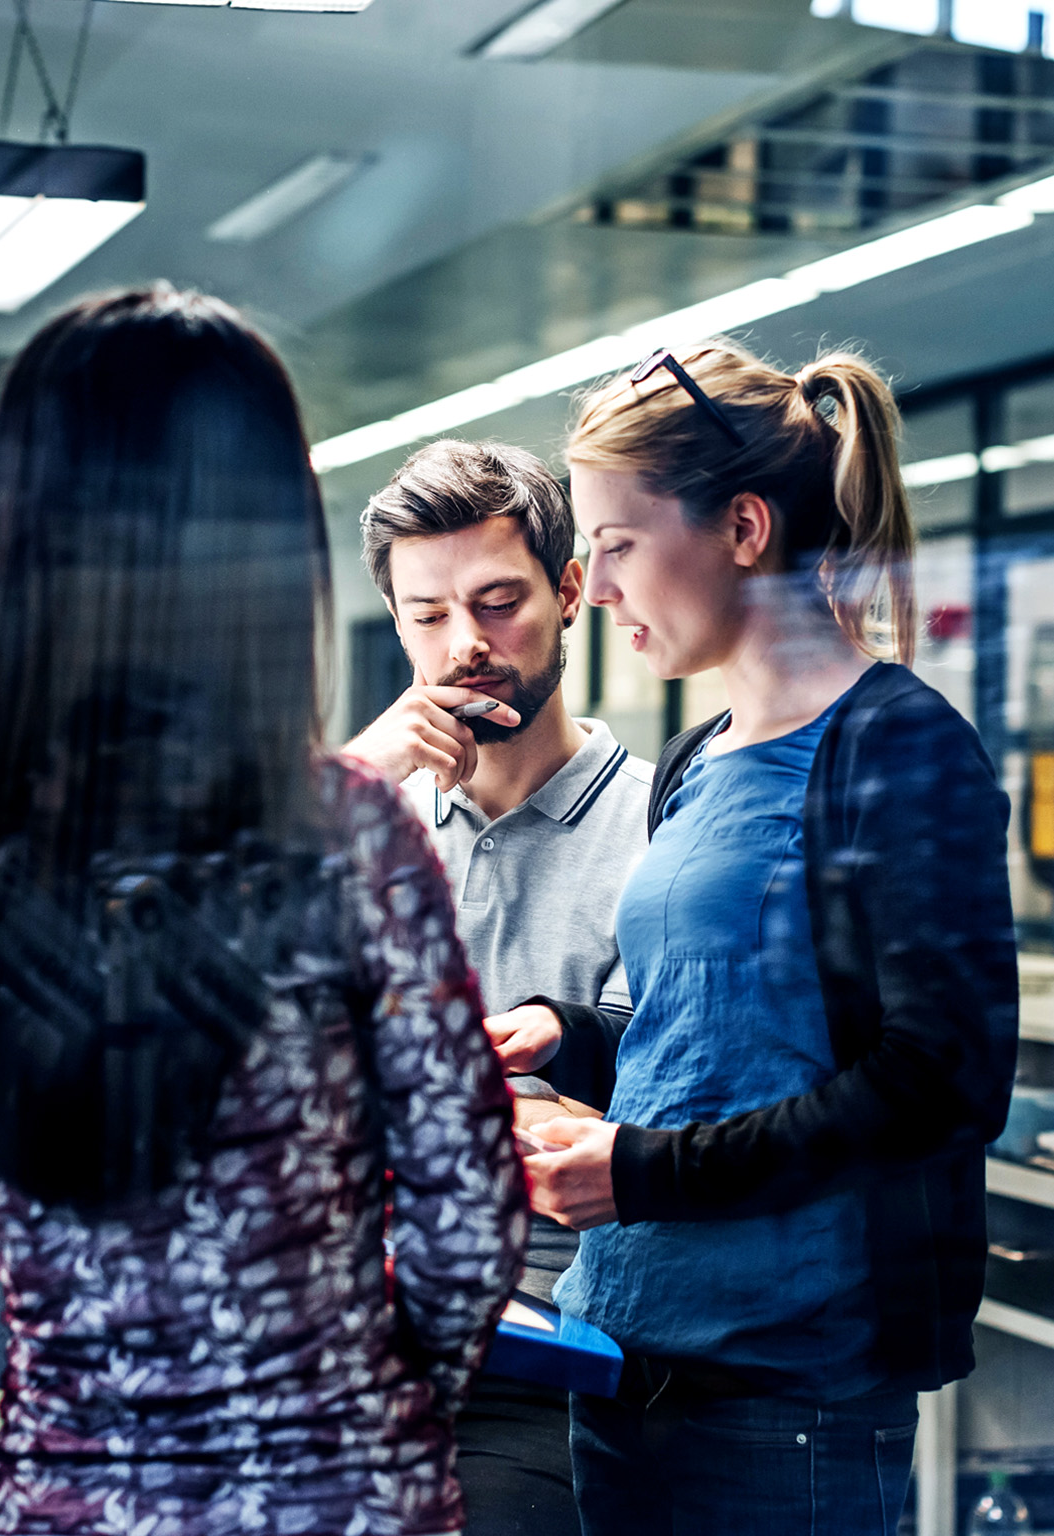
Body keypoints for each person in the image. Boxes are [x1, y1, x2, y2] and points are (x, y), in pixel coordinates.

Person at [0, 286, 527, 1536]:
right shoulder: (348, 837)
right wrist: (356, 1410)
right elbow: (468, 1221)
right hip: (335, 1500)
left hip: (72, 1492)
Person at [507, 342, 1020, 1536]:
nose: (596, 584)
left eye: (620, 544)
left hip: (789, 1389)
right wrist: (572, 1038)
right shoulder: (700, 754)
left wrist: (639, 1171)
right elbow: (726, 1025)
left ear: (743, 528)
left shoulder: (896, 747)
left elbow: (939, 1081)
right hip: (630, 1348)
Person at [347, 439, 653, 1536]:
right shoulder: (360, 819)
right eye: (427, 614)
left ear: (571, 592)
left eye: (498, 602)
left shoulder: (664, 834)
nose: (464, 645)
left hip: (534, 1350)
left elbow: (626, 1104)